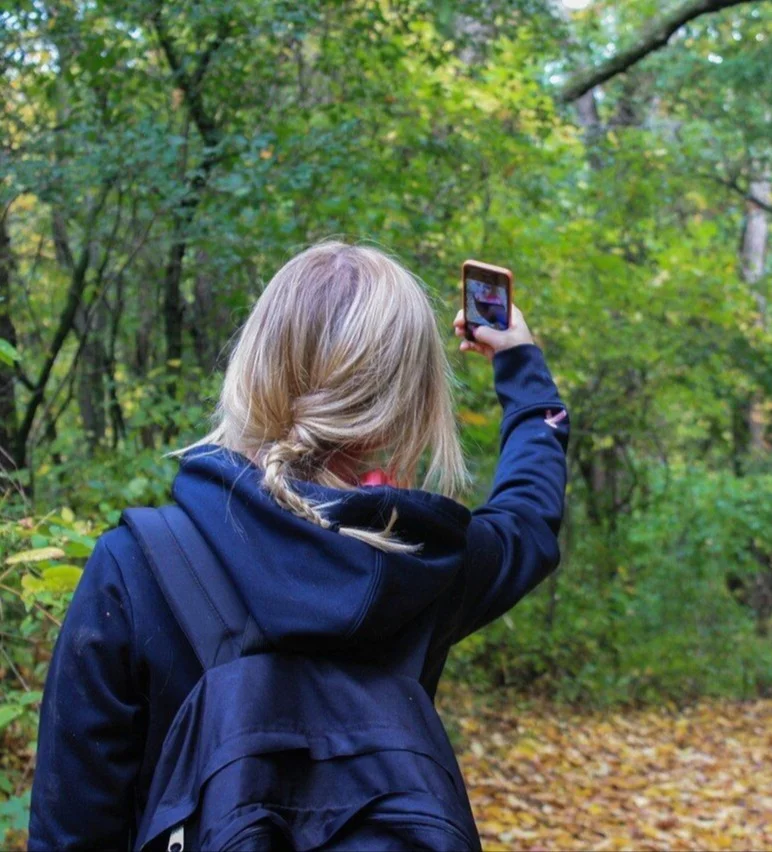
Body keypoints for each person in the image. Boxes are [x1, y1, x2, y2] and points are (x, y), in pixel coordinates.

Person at [28, 242, 569, 849]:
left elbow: (72, 829)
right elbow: (529, 515)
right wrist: (521, 365)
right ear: (407, 401)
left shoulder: (136, 568)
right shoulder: (426, 565)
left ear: (256, 364)